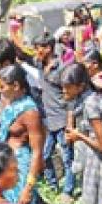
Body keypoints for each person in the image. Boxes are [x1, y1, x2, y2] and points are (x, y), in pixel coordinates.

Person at [61, 64, 102, 204]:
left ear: (80, 86)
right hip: (90, 154)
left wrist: (78, 136)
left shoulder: (90, 104)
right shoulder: (84, 100)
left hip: (97, 158)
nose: (64, 91)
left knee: (98, 199)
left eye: (67, 87)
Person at [0, 65, 45, 204]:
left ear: (16, 86)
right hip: (7, 164)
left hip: (21, 168)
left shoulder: (29, 112)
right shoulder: (11, 105)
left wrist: (28, 187)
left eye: (2, 87)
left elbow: (37, 151)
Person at [36, 32, 74, 195]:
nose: (36, 51)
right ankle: (53, 186)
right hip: (48, 120)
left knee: (67, 158)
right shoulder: (39, 64)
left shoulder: (61, 68)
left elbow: (70, 97)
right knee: (45, 155)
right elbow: (21, 53)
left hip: (61, 119)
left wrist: (70, 123)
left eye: (39, 48)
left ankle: (68, 191)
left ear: (49, 48)